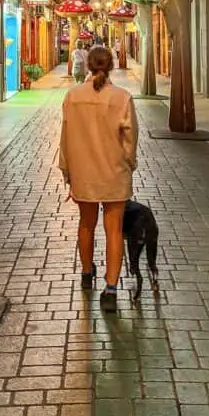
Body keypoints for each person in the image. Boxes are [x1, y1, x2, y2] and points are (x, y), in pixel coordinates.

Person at [58, 46, 138, 312]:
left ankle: (86, 273)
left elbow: (65, 137)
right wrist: (128, 163)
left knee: (86, 224)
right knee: (114, 230)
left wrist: (67, 168)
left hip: (84, 173)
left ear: (89, 66)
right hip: (113, 173)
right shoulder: (122, 98)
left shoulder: (72, 96)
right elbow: (130, 141)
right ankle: (112, 288)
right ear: (111, 65)